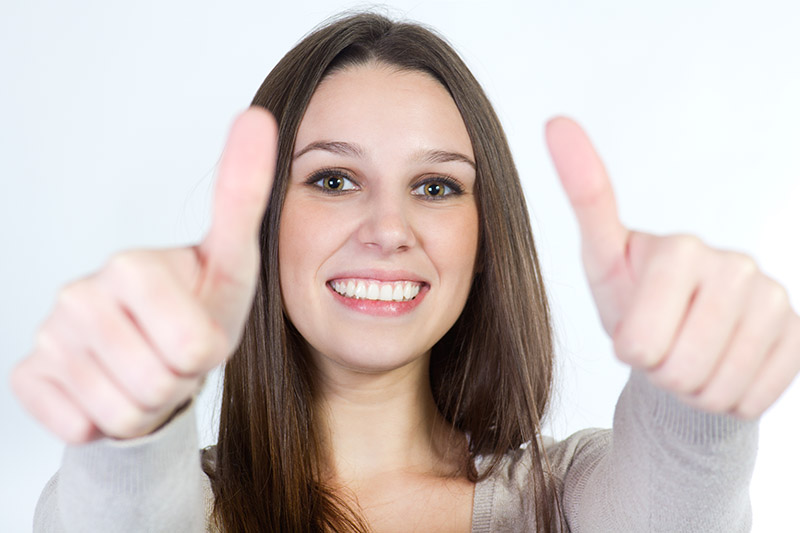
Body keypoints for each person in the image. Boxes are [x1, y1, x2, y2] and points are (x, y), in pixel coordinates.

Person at [12, 12, 798, 533]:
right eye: (332, 179)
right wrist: (132, 425)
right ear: (266, 220)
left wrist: (698, 395)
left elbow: (678, 493)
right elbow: (120, 507)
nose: (389, 229)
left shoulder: (565, 499)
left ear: (484, 237)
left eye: (436, 186)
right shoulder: (191, 512)